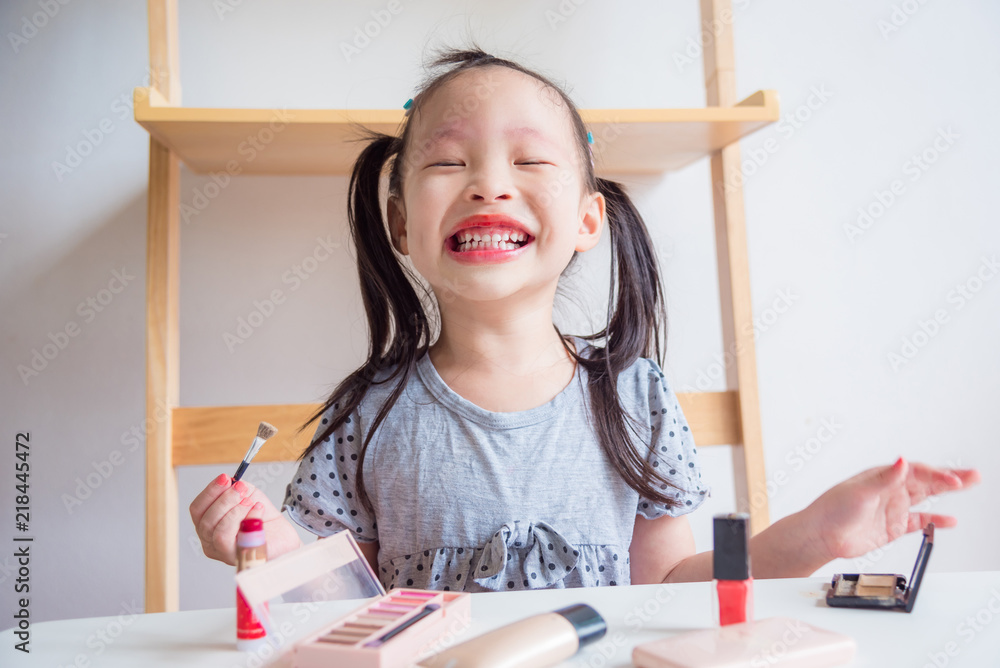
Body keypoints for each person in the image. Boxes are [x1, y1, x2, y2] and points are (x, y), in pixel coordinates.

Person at [190, 47, 980, 592]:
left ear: (587, 221)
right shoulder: (367, 415)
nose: (488, 184)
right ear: (401, 226)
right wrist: (268, 549)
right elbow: (338, 606)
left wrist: (814, 538)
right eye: (447, 162)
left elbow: (671, 587)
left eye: (529, 161)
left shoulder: (636, 403)